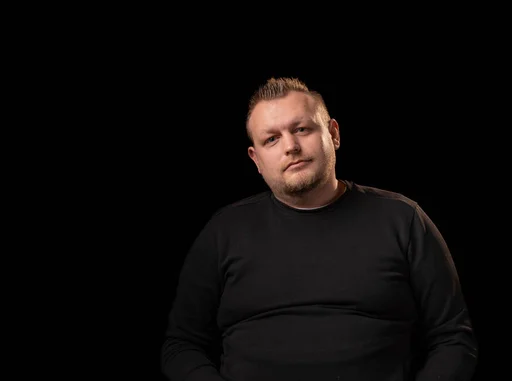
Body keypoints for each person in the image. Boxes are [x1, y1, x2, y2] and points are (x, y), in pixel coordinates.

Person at [160, 77, 478, 381]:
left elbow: (453, 339)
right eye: (272, 139)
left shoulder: (403, 219)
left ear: (333, 134)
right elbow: (181, 347)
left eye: (301, 129)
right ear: (256, 159)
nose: (291, 146)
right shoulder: (224, 231)